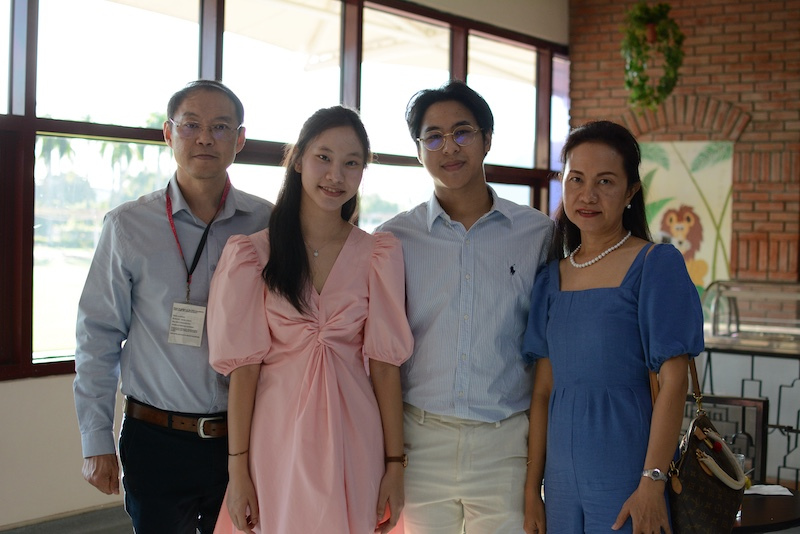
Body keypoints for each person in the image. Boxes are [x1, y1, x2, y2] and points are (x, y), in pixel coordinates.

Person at [73, 80, 272, 533]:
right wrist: (95, 439)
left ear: (240, 139)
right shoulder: (128, 226)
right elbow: (97, 337)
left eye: (220, 127)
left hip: (246, 439)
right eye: (191, 125)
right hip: (156, 440)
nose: (205, 138)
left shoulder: (267, 223)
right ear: (168, 133)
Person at [207, 105, 414, 534]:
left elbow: (385, 367)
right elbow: (244, 372)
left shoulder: (378, 255)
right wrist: (237, 470)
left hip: (355, 437)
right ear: (298, 159)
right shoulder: (252, 255)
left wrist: (394, 465)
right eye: (324, 157)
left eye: (351, 163)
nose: (336, 175)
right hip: (276, 438)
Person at [377, 80, 554, 533]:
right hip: (420, 443)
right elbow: (382, 352)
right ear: (419, 151)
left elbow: (549, 346)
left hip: (505, 444)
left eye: (462, 132)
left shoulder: (537, 234)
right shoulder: (394, 239)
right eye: (433, 137)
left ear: (487, 139)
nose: (449, 147)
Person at [521, 120, 704, 534]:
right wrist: (533, 489)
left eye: (605, 181)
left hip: (629, 476)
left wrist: (652, 482)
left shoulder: (656, 265)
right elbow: (543, 391)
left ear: (631, 192)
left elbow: (674, 382)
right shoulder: (550, 278)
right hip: (561, 484)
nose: (588, 195)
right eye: (576, 179)